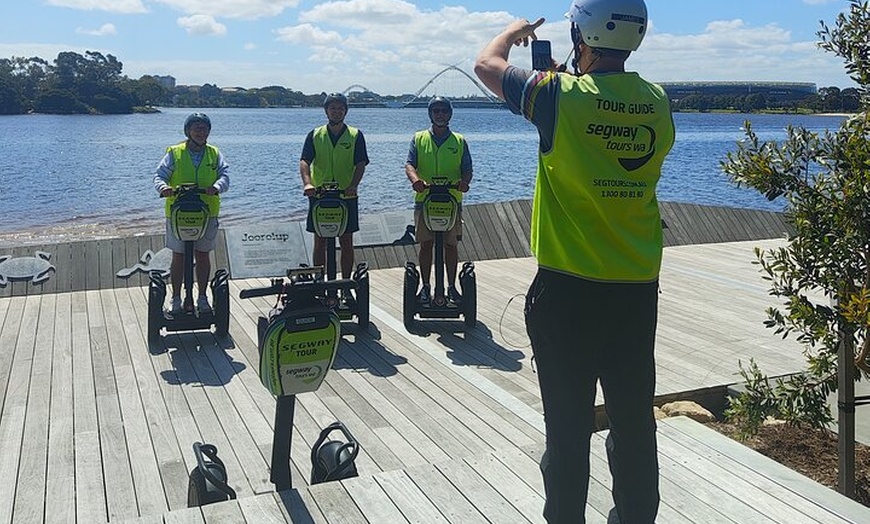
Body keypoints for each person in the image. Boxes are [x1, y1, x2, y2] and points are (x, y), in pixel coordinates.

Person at [474, 1, 675, 523]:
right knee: (634, 425)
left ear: (580, 34)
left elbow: (486, 65)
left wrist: (514, 32)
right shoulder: (657, 101)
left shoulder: (557, 96)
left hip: (567, 293)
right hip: (635, 290)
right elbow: (604, 103)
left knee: (566, 431)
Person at [153, 112, 230, 315]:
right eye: (196, 128)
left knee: (202, 255)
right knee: (178, 256)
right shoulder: (174, 152)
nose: (200, 131)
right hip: (178, 213)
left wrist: (216, 186)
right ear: (188, 131)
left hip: (207, 213)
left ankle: (203, 298)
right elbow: (160, 175)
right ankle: (176, 298)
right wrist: (163, 188)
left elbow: (225, 175)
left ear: (208, 132)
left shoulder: (214, 153)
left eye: (203, 128)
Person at [404, 97, 473, 304]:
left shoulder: (459, 141)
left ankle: (451, 287)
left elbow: (467, 169)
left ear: (449, 114)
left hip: (451, 201)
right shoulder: (418, 138)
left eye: (444, 111)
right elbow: (409, 165)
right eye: (436, 111)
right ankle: (425, 287)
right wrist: (415, 180)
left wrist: (464, 182)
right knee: (426, 245)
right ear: (430, 114)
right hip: (425, 200)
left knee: (451, 246)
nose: (440, 114)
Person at [299, 92, 369, 287]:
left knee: (346, 241)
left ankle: (345, 284)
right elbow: (305, 161)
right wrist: (308, 183)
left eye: (340, 108)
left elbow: (361, 163)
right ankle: (320, 283)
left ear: (345, 111)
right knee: (320, 240)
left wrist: (353, 185)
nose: (336, 111)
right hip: (319, 195)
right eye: (332, 108)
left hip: (346, 195)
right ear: (326, 111)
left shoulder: (355, 135)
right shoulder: (315, 134)